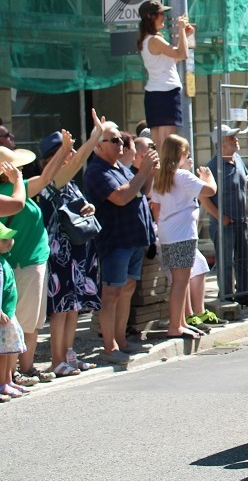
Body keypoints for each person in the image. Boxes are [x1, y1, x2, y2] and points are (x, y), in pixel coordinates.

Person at [0, 131, 77, 384]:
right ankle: (17, 372)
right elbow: (19, 203)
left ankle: (23, 369)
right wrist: (17, 180)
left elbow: (46, 178)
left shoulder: (17, 187)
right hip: (22, 262)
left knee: (29, 320)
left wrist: (65, 149)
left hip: (28, 261)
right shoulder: (11, 190)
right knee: (23, 320)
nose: (20, 169)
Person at [39, 113, 108, 376]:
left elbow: (74, 207)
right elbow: (80, 159)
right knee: (61, 309)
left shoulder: (68, 182)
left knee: (73, 308)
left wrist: (86, 209)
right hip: (60, 252)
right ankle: (57, 360)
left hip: (77, 250)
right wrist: (93, 138)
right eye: (64, 152)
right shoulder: (51, 181)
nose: (70, 156)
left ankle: (68, 355)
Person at [83, 121, 158, 364]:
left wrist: (149, 172)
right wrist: (143, 172)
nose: (121, 144)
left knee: (126, 290)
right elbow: (122, 196)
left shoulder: (120, 167)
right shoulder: (97, 171)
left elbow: (138, 192)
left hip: (133, 239)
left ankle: (122, 340)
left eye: (120, 140)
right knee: (112, 293)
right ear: (98, 146)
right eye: (114, 140)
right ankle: (110, 345)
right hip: (116, 240)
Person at [149, 135, 216, 339]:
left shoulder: (160, 178)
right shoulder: (183, 177)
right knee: (181, 281)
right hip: (183, 235)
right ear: (180, 155)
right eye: (186, 154)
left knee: (180, 281)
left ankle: (181, 322)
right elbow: (211, 190)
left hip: (169, 234)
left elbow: (156, 209)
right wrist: (208, 177)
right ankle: (175, 326)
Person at [200, 124, 248, 308]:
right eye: (231, 138)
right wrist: (220, 217)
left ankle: (243, 295)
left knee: (244, 258)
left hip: (240, 221)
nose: (236, 140)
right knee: (226, 261)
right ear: (221, 144)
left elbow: (243, 182)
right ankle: (226, 296)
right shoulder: (213, 167)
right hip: (224, 224)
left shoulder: (237, 159)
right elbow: (203, 197)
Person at [136, 0, 193, 149]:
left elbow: (177, 58)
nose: (164, 17)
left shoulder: (147, 40)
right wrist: (180, 29)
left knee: (159, 145)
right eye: (160, 14)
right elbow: (182, 54)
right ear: (150, 16)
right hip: (166, 93)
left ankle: (159, 172)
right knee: (167, 145)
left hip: (154, 94)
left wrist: (184, 36)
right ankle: (165, 172)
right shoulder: (155, 39)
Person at [0, 224, 24, 400]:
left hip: (9, 314)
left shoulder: (4, 260)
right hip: (2, 316)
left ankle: (8, 379)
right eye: (4, 239)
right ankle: (2, 383)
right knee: (2, 353)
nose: (10, 241)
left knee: (9, 352)